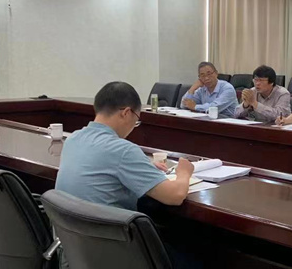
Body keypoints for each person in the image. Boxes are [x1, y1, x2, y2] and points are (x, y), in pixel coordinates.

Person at [56, 81, 193, 209]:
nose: (134, 126)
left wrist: (143, 166)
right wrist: (184, 173)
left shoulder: (73, 139)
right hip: (107, 226)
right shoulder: (123, 150)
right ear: (126, 113)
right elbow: (175, 196)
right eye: (136, 120)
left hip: (67, 226)